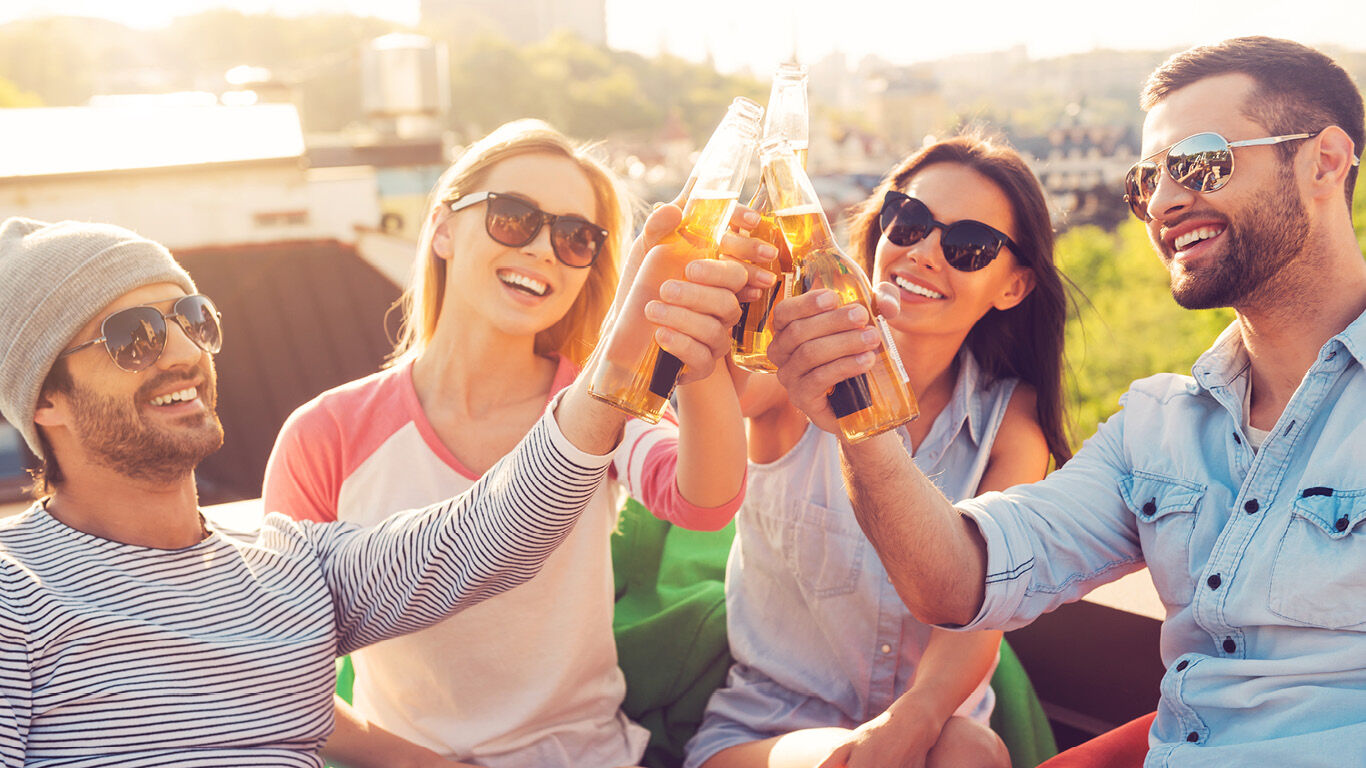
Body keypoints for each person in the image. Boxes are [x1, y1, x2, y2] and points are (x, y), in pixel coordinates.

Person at [767, 36, 1366, 766]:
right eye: (1146, 182)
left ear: (1324, 163)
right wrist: (858, 419)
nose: (1167, 202)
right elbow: (955, 581)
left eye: (1200, 163)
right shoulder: (1158, 429)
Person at [0, 204, 753, 765]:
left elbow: (490, 531)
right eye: (134, 336)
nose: (182, 353)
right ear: (43, 399)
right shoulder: (16, 595)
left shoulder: (293, 569)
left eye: (191, 319)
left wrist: (616, 365)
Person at [262, 120, 769, 768]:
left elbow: (705, 501)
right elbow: (275, 661)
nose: (543, 250)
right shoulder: (327, 432)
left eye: (575, 237)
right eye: (512, 217)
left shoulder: (604, 408)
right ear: (442, 227)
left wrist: (697, 357)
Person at [686, 133, 1073, 768]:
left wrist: (908, 725)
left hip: (939, 726)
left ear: (1014, 286)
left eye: (968, 245)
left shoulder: (1010, 421)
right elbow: (717, 389)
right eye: (910, 221)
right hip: (772, 731)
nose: (922, 253)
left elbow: (984, 609)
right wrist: (722, 291)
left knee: (971, 750)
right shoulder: (789, 358)